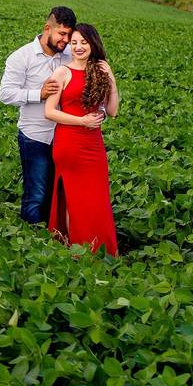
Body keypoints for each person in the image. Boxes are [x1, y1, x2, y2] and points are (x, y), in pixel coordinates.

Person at [43, 23, 120, 256]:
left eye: (83, 43)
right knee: (74, 198)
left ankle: (99, 249)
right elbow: (49, 111)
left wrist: (112, 80)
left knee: (96, 199)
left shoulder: (99, 71)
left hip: (93, 145)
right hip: (69, 142)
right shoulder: (62, 72)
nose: (78, 47)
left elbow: (113, 111)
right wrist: (82, 121)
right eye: (74, 42)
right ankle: (74, 249)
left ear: (93, 44)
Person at [0, 6, 76, 224]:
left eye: (69, 35)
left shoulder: (70, 55)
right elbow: (5, 94)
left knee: (57, 193)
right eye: (62, 34)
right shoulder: (21, 57)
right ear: (47, 28)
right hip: (35, 137)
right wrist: (39, 94)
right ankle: (29, 240)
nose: (66, 41)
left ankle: (53, 235)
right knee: (36, 194)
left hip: (65, 136)